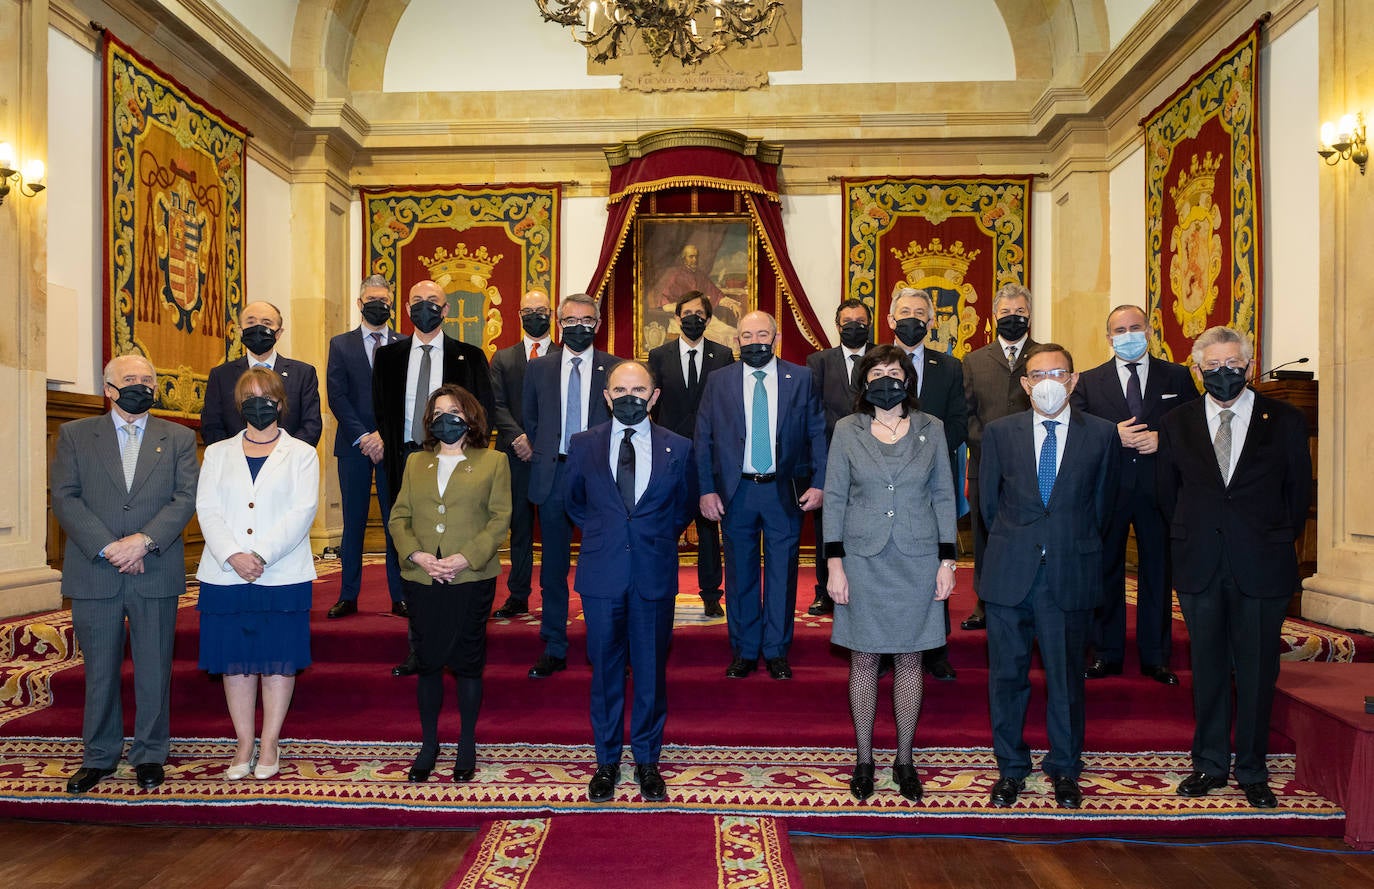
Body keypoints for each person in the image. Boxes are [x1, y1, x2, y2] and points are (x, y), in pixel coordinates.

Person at [1157, 326, 1311, 809]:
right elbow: (1167, 493)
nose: (1223, 374)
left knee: (1258, 669)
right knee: (1207, 667)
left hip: (1262, 563)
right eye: (1213, 367)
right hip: (1200, 561)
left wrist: (1268, 536)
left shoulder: (1283, 419)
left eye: (1233, 365)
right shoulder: (1176, 421)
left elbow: (1298, 492)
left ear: (1248, 366)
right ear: (1197, 370)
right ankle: (1208, 762)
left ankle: (1252, 767)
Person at [51, 354, 199, 794]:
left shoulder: (178, 437)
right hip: (95, 567)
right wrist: (110, 547)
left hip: (153, 565)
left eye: (148, 379)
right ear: (108, 389)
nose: (141, 385)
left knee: (155, 668)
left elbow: (184, 498)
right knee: (99, 669)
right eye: (130, 379)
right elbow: (65, 496)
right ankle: (98, 756)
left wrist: (143, 541)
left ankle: (151, 754)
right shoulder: (75, 435)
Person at [979, 343, 1118, 809]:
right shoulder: (1000, 433)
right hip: (1009, 573)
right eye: (1037, 375)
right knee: (1008, 678)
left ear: (1073, 380)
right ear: (1025, 385)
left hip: (1069, 572)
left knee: (1065, 680)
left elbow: (1104, 507)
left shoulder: (1101, 435)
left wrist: (1067, 541)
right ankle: (1010, 768)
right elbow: (988, 506)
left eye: (1058, 373)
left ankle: (1064, 768)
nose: (1047, 383)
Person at [824, 345, 957, 802]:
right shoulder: (847, 429)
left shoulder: (932, 428)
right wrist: (834, 564)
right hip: (862, 558)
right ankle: (864, 758)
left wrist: (947, 561)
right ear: (864, 383)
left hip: (918, 559)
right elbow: (836, 497)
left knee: (910, 659)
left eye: (893, 372)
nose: (886, 379)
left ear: (908, 380)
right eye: (876, 372)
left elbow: (944, 495)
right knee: (862, 660)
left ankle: (904, 759)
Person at [566, 362, 697, 803]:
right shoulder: (582, 445)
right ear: (606, 396)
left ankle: (647, 761)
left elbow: (683, 508)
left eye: (638, 389)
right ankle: (606, 761)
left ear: (654, 396)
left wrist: (650, 537)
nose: (629, 396)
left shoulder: (678, 447)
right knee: (604, 672)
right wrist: (608, 533)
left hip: (652, 574)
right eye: (620, 389)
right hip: (602, 576)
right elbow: (574, 504)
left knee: (650, 673)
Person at [195, 367, 319, 781]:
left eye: (266, 395)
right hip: (226, 574)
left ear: (280, 403)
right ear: (238, 404)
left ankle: (270, 741)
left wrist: (260, 554)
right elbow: (208, 509)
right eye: (249, 395)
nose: (258, 403)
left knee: (277, 661)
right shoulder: (217, 453)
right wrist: (233, 554)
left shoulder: (302, 453)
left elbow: (302, 512)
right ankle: (244, 740)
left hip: (281, 573)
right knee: (236, 663)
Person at [388, 384, 511, 783]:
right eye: (438, 413)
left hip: (471, 576)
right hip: (423, 577)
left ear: (470, 416)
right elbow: (398, 518)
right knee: (427, 662)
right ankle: (428, 744)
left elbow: (499, 519)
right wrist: (418, 555)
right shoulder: (414, 463)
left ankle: (466, 743)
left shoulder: (493, 461)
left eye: (454, 411)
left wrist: (465, 557)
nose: (446, 419)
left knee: (467, 663)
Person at [1070, 305, 1199, 685]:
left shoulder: (1177, 375)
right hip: (1108, 489)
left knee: (1158, 571)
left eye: (1135, 327)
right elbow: (1076, 430)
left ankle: (1155, 657)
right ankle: (1106, 654)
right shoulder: (1090, 382)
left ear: (1149, 330)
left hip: (1159, 488)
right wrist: (1113, 434)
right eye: (1119, 330)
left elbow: (1194, 426)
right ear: (1108, 338)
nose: (1128, 335)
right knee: (1106, 569)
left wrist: (1165, 439)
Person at [695, 310, 827, 680]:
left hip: (783, 491)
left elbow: (817, 433)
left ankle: (776, 650)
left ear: (776, 337)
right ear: (737, 340)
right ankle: (745, 650)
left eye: (762, 334)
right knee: (740, 575)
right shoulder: (719, 381)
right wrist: (706, 489)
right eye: (747, 335)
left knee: (784, 574)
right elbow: (702, 438)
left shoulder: (801, 378)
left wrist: (820, 483)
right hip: (736, 493)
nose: (755, 341)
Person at [372, 279, 495, 676]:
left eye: (433, 302)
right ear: (406, 308)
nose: (425, 308)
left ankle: (459, 642)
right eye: (417, 301)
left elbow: (483, 411)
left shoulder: (469, 356)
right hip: (409, 459)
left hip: (458, 459)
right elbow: (382, 411)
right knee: (412, 546)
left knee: (454, 544)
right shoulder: (388, 357)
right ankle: (419, 646)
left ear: (446, 309)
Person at [521, 292, 622, 677]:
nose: (578, 328)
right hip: (554, 475)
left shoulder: (614, 368)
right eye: (570, 321)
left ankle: (609, 646)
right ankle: (554, 644)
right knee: (553, 567)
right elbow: (531, 420)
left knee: (607, 566)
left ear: (597, 325)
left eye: (586, 321)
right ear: (558, 325)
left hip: (602, 477)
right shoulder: (539, 368)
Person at [889, 286, 969, 680]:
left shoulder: (950, 367)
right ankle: (884, 648)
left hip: (932, 480)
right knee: (885, 565)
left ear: (932, 321)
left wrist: (924, 456)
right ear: (890, 319)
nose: (912, 318)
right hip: (880, 482)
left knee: (934, 564)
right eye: (904, 311)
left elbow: (958, 421)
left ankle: (935, 651)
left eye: (920, 312)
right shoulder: (874, 362)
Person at [647, 291, 734, 617]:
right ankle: (661, 591)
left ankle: (711, 594)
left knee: (710, 528)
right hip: (669, 455)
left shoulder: (723, 354)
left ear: (708, 319)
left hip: (709, 456)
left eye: (700, 313)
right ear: (677, 317)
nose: (693, 318)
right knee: (664, 527)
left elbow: (728, 406)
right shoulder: (659, 354)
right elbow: (651, 403)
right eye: (687, 313)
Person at [325, 275, 406, 620]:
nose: (378, 304)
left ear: (391, 303)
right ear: (359, 304)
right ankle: (348, 595)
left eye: (384, 300)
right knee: (353, 522)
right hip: (353, 446)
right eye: (371, 299)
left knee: (395, 522)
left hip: (393, 445)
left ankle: (399, 596)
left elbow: (408, 397)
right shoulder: (340, 344)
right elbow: (337, 396)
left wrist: (385, 436)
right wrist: (365, 437)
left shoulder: (405, 343)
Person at [961, 284, 1038, 631]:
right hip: (984, 465)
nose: (1013, 319)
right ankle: (983, 602)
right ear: (994, 316)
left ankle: (1029, 600)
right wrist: (990, 445)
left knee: (1029, 535)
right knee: (985, 535)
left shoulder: (1044, 357)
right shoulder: (974, 360)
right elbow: (967, 413)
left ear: (1029, 316)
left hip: (1035, 466)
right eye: (1006, 313)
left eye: (1019, 313)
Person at [804, 298, 874, 617]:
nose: (854, 327)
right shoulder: (818, 361)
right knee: (827, 526)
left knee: (868, 524)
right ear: (837, 325)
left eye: (860, 321)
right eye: (847, 322)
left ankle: (865, 587)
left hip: (875, 457)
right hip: (831, 456)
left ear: (869, 324)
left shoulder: (882, 358)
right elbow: (812, 412)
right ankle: (824, 591)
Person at [488, 290, 554, 619]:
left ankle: (555, 595)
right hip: (514, 456)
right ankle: (518, 595)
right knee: (520, 528)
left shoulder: (563, 354)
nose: (535, 315)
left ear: (551, 314)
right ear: (519, 315)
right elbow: (496, 404)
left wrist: (540, 441)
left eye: (541, 310)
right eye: (528, 310)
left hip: (555, 457)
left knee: (555, 528)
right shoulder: (503, 358)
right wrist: (519, 438)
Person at [200, 301, 322, 447]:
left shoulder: (303, 374)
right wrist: (234, 456)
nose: (258, 328)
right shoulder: (220, 375)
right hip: (235, 463)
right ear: (240, 330)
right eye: (250, 322)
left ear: (279, 333)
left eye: (267, 323)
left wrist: (288, 456)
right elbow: (212, 426)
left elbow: (311, 425)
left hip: (288, 463)